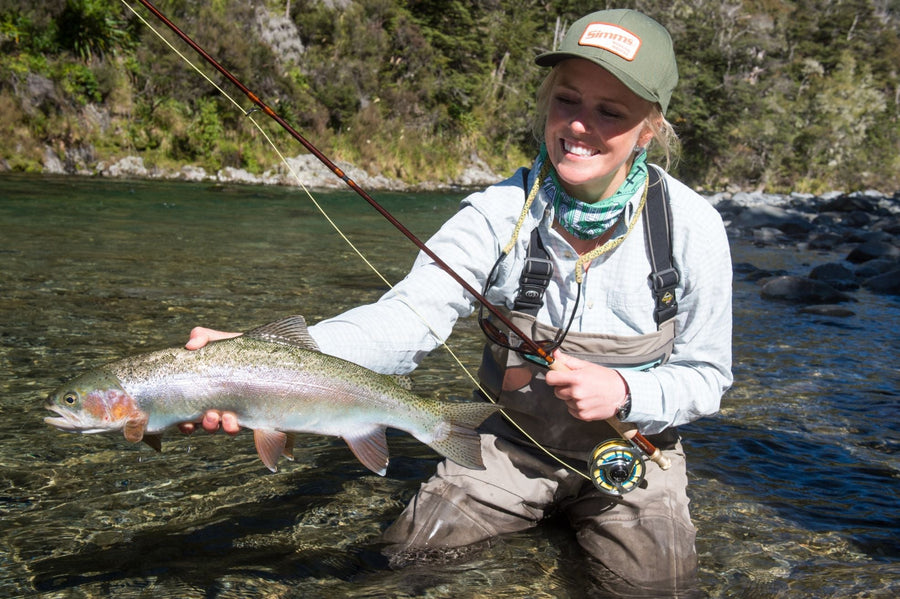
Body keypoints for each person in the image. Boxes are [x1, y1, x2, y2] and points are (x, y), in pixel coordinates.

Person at [180, 8, 732, 595]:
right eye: (567, 100)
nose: (578, 126)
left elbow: (708, 376)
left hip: (633, 461)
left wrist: (627, 391)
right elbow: (408, 318)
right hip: (508, 446)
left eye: (610, 112)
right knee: (397, 570)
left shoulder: (692, 227)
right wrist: (267, 358)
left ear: (649, 129)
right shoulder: (496, 212)